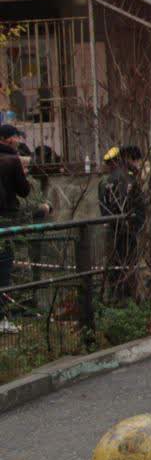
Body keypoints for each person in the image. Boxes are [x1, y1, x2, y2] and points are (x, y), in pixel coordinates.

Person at [0, 124, 49, 333]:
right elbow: (25, 192)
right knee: (4, 268)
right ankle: (4, 317)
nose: (18, 140)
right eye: (15, 137)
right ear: (7, 139)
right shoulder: (11, 161)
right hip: (6, 221)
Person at [98, 145, 146, 302]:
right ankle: (131, 300)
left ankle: (116, 297)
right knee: (129, 264)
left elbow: (103, 206)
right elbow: (139, 205)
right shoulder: (129, 178)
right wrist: (137, 226)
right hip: (128, 229)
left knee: (115, 265)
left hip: (113, 228)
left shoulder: (107, 180)